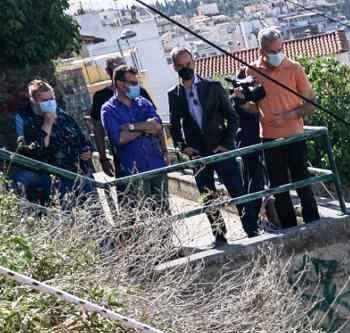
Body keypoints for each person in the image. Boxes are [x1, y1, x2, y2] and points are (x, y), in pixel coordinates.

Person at [168, 48, 246, 243]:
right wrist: (183, 147)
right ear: (175, 67)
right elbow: (174, 126)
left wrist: (227, 144)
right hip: (197, 155)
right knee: (207, 196)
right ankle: (219, 235)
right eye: (182, 66)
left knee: (237, 190)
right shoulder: (174, 94)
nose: (187, 68)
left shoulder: (213, 87)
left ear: (194, 62)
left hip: (220, 149)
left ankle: (251, 227)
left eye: (189, 64)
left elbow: (233, 118)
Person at [256, 28, 318, 229]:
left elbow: (311, 103)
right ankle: (290, 228)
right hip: (269, 139)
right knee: (279, 188)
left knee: (303, 183)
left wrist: (288, 116)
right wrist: (241, 100)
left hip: (294, 136)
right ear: (262, 51)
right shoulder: (252, 72)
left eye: (280, 49)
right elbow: (250, 108)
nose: (278, 55)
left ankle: (314, 223)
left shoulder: (295, 68)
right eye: (272, 52)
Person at [99, 64, 168, 212]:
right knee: (146, 214)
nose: (137, 86)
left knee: (164, 210)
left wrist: (131, 127)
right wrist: (145, 129)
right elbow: (120, 138)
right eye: (133, 83)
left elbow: (157, 126)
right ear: (119, 84)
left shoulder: (143, 102)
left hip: (156, 164)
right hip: (134, 171)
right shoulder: (108, 110)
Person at [14, 79, 94, 206]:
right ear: (34, 101)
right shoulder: (29, 122)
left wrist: (87, 150)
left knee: (95, 213)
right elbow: (36, 151)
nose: (49, 103)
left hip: (81, 175)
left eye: (51, 99)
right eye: (44, 100)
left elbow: (83, 140)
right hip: (56, 180)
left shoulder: (64, 117)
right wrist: (48, 123)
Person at [230, 75, 277, 234]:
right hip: (249, 143)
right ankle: (254, 218)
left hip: (254, 141)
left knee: (255, 180)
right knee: (255, 181)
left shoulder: (244, 96)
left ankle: (256, 217)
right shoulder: (238, 99)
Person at [89, 56, 128, 178]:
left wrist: (163, 151)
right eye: (115, 70)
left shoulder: (138, 92)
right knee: (128, 194)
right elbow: (98, 128)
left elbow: (155, 122)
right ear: (108, 72)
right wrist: (103, 158)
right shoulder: (101, 97)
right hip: (121, 155)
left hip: (149, 154)